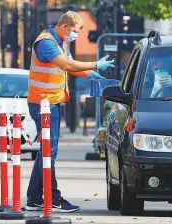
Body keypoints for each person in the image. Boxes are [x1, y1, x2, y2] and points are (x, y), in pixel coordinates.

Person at [25, 11, 115, 213]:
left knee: (46, 152)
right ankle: (52, 198)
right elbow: (65, 64)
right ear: (65, 27)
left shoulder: (60, 43)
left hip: (50, 103)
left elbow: (71, 68)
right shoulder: (46, 43)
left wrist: (89, 73)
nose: (75, 36)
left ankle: (34, 198)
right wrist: (94, 64)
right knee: (49, 151)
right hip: (43, 105)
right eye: (74, 31)